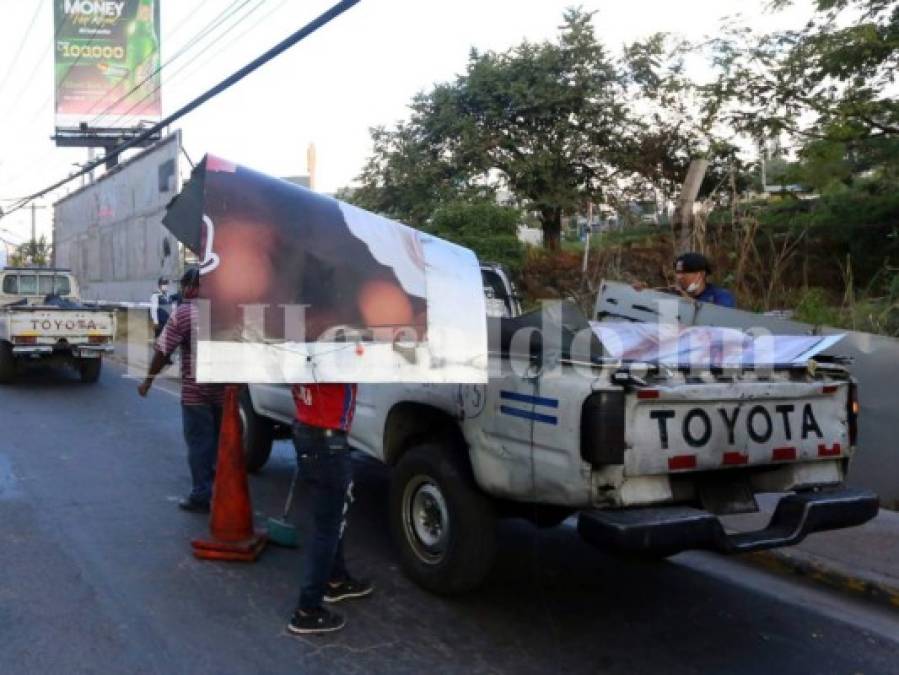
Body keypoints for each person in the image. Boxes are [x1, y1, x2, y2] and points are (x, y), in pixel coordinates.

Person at [287, 382, 373, 635]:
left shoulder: (301, 348)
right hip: (326, 441)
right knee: (327, 527)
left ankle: (336, 580)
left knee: (332, 517)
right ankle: (307, 610)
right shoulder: (332, 350)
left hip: (306, 429)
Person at [137, 268, 224, 513]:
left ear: (192, 286)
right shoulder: (225, 311)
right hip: (224, 392)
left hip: (197, 393)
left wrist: (148, 381)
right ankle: (222, 489)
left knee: (199, 444)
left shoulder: (185, 313)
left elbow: (163, 351)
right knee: (219, 443)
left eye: (184, 285)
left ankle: (201, 495)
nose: (182, 290)